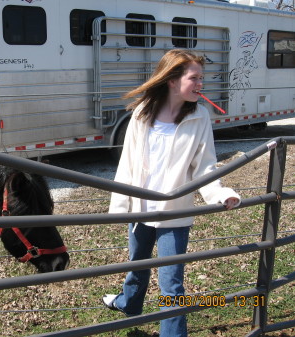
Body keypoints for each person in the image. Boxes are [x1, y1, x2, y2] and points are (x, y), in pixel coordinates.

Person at [102, 49, 241, 337]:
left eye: (201, 78)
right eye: (194, 78)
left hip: (175, 215)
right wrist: (119, 208)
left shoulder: (200, 116)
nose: (201, 84)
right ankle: (128, 305)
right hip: (140, 212)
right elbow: (127, 165)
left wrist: (221, 193)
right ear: (171, 80)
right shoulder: (141, 113)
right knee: (137, 267)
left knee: (172, 284)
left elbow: (205, 168)